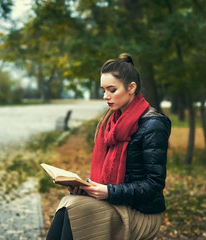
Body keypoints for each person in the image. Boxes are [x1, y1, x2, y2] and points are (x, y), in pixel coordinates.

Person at [46, 53, 171, 240]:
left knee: (72, 208)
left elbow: (154, 185)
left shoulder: (153, 125)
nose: (106, 96)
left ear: (131, 88)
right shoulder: (111, 122)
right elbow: (109, 174)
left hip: (140, 213)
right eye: (103, 90)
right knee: (68, 203)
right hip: (115, 202)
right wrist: (86, 186)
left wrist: (109, 191)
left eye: (112, 90)